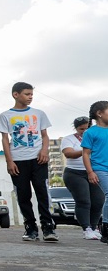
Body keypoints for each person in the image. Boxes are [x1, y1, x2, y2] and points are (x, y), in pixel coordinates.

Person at [0, 81, 57, 242]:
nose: (30, 97)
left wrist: (45, 150)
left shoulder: (39, 113)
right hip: (18, 160)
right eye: (27, 94)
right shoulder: (5, 115)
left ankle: (48, 227)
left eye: (31, 94)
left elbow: (44, 135)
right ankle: (30, 228)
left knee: (42, 193)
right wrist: (9, 161)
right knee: (23, 195)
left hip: (38, 160)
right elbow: (4, 139)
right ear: (16, 95)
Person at [62, 116, 104, 240]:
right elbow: (68, 154)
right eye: (82, 129)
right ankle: (86, 228)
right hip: (75, 173)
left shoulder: (97, 137)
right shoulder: (69, 139)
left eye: (88, 129)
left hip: (95, 171)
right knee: (84, 200)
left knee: (98, 201)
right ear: (76, 128)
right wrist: (86, 149)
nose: (85, 132)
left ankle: (94, 226)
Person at [82, 101, 108, 244]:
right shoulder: (91, 132)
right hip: (100, 169)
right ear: (99, 114)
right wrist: (90, 172)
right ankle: (105, 228)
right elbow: (85, 154)